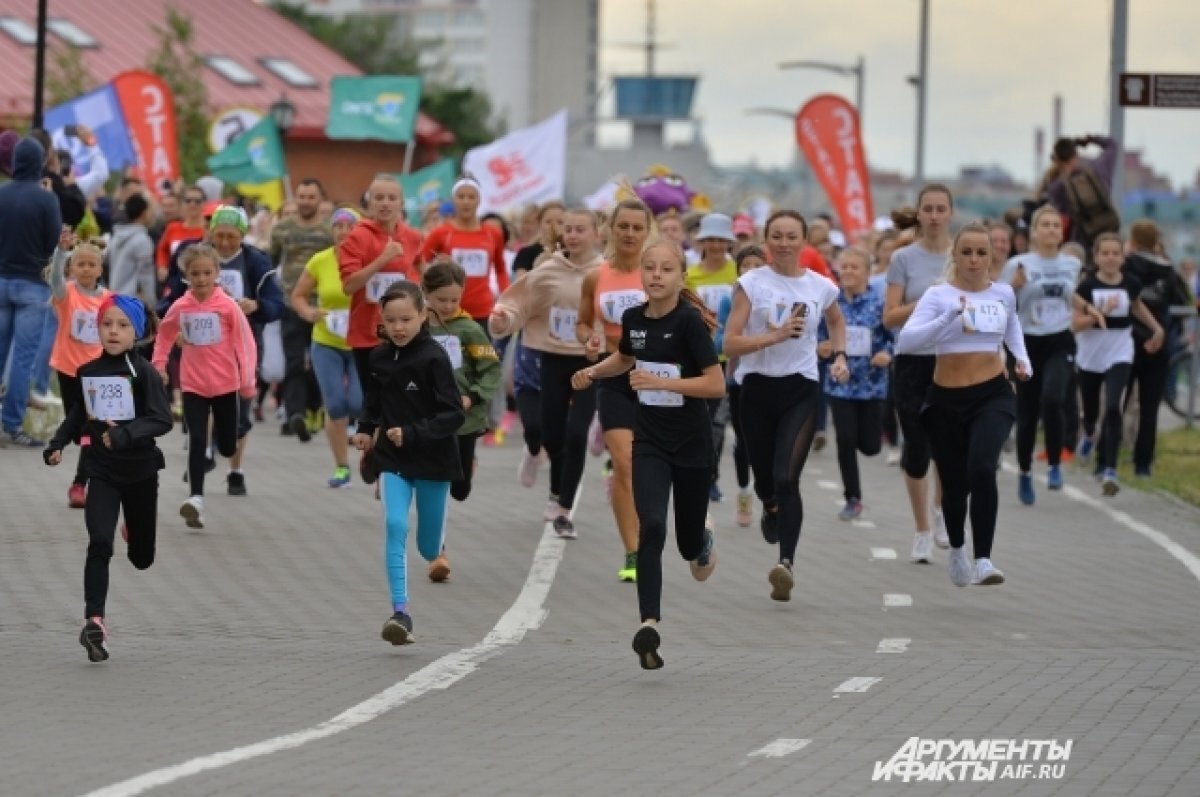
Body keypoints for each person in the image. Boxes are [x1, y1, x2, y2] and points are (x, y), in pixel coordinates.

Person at [571, 240, 724, 670]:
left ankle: (702, 536)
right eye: (650, 268)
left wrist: (664, 384)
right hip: (651, 442)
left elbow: (715, 385)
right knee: (652, 526)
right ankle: (649, 625)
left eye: (666, 269)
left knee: (686, 544)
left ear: (681, 277)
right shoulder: (633, 319)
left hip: (691, 443)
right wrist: (592, 371)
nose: (656, 275)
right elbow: (624, 359)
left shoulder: (689, 323)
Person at [723, 210, 849, 602]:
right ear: (766, 240)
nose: (783, 243)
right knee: (765, 481)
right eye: (776, 236)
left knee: (785, 477)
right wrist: (773, 337)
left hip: (801, 388)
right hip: (756, 389)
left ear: (803, 241)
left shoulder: (820, 286)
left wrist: (840, 355)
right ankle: (769, 507)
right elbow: (730, 342)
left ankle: (785, 565)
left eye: (791, 236)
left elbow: (837, 321)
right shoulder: (751, 283)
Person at [897, 223, 1031, 587]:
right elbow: (907, 341)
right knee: (955, 485)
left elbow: (1012, 327)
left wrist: (1022, 359)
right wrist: (946, 319)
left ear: (991, 257)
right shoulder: (938, 295)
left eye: (981, 253)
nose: (974, 260)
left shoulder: (1003, 293)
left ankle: (984, 559)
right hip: (946, 399)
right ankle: (957, 547)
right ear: (955, 255)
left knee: (982, 467)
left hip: (992, 395)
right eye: (967, 252)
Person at [43, 294, 172, 662]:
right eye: (106, 324)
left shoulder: (144, 373)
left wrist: (125, 434)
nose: (113, 331)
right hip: (101, 471)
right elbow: (77, 415)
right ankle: (94, 622)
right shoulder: (88, 372)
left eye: (122, 325)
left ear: (137, 331)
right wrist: (57, 443)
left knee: (142, 557)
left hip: (141, 471)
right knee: (100, 542)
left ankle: (134, 526)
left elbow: (162, 419)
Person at [352, 281, 465, 646]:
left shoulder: (434, 357)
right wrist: (366, 429)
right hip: (393, 460)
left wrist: (414, 433)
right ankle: (400, 613)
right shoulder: (378, 358)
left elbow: (453, 415)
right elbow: (373, 402)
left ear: (422, 316)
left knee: (428, 548)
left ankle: (437, 551)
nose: (398, 327)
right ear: (382, 321)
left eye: (406, 319)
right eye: (391, 321)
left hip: (434, 460)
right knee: (394, 524)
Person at [491, 208, 602, 545]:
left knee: (576, 433)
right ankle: (555, 488)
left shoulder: (605, 272)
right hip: (552, 359)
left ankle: (564, 509)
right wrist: (503, 319)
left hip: (589, 362)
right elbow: (517, 304)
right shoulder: (547, 270)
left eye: (581, 229)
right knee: (552, 435)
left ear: (596, 234)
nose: (573, 235)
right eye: (568, 229)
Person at [159, 205, 283, 496]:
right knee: (203, 400)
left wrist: (257, 305)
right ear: (211, 232)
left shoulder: (256, 262)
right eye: (220, 235)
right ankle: (203, 453)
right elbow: (171, 299)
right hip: (199, 346)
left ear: (243, 235)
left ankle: (235, 469)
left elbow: (278, 305)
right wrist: (171, 330)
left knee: (238, 412)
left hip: (242, 342)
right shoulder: (194, 257)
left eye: (232, 236)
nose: (225, 242)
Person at [152, 244, 258, 528]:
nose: (201, 279)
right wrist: (158, 366)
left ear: (217, 273)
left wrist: (247, 380)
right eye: (195, 273)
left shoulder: (227, 306)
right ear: (186, 275)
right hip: (193, 385)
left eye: (207, 273)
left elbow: (245, 343)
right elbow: (164, 335)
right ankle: (195, 499)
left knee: (228, 446)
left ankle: (222, 445)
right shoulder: (181, 306)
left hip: (226, 384)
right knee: (197, 441)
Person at [576, 198, 652, 578]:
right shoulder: (596, 277)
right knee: (624, 463)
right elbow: (582, 323)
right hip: (613, 375)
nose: (630, 234)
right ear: (611, 229)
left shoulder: (658, 274)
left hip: (655, 376)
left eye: (638, 227)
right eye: (624, 226)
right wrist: (588, 339)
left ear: (647, 231)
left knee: (651, 465)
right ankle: (633, 552)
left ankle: (661, 528)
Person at [1001, 205, 1095, 505]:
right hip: (1026, 342)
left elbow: (1070, 295)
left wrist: (1088, 309)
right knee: (1027, 413)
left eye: (1056, 225)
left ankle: (1055, 463)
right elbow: (1000, 302)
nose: (1052, 230)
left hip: (1060, 340)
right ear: (1034, 232)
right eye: (1046, 225)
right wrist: (1013, 287)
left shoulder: (1071, 264)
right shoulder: (1018, 263)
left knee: (1053, 399)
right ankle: (1025, 471)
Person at [883, 186, 954, 562]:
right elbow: (890, 316)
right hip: (912, 360)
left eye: (941, 209)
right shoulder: (903, 258)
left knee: (947, 444)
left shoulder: (963, 254)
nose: (934, 216)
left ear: (950, 213)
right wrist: (926, 302)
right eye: (928, 209)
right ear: (920, 213)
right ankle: (921, 529)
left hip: (952, 360)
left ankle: (940, 510)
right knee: (917, 448)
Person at [425, 259, 502, 580]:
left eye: (453, 300)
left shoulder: (469, 330)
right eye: (440, 299)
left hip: (464, 420)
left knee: (460, 489)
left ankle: (468, 465)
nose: (447, 306)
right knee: (438, 485)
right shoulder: (416, 328)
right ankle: (438, 553)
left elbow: (491, 368)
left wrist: (473, 395)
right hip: (429, 420)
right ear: (426, 294)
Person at [1073, 232, 1164, 494]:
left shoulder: (1131, 283)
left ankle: (1110, 470)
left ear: (1123, 257)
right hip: (1091, 352)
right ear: (1096, 257)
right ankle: (1090, 433)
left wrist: (1156, 328)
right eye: (1105, 253)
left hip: (1120, 350)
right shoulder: (1086, 287)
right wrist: (1100, 312)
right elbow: (1075, 325)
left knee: (1114, 407)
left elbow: (1137, 306)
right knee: (1091, 411)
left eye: (1116, 253)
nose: (1111, 258)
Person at [818, 247, 893, 520]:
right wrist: (821, 347)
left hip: (872, 385)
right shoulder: (831, 302)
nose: (848, 272)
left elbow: (894, 336)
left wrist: (888, 354)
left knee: (871, 446)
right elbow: (817, 336)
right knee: (845, 439)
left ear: (867, 272)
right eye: (845, 267)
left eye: (855, 267)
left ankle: (872, 443)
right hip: (840, 383)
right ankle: (853, 498)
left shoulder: (880, 302)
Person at [290, 207, 362, 488]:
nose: (343, 232)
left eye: (350, 226)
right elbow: (298, 295)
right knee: (335, 405)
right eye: (338, 226)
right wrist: (308, 312)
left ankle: (371, 455)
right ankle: (342, 467)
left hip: (360, 344)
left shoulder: (368, 261)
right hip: (326, 341)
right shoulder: (320, 260)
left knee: (357, 403)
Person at [338, 174, 423, 411]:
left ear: (401, 203)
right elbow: (349, 286)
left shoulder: (412, 237)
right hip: (368, 336)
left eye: (391, 198)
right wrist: (382, 259)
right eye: (379, 198)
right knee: (376, 405)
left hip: (406, 333)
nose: (385, 203)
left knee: (405, 403)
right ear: (370, 202)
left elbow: (419, 272)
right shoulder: (357, 236)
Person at [0, 137, 61, 447]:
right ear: (40, 162)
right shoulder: (45, 199)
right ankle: (12, 425)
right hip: (33, 285)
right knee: (23, 359)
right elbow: (53, 240)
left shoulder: (2, 193)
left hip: (1, 279)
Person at [1118, 220, 1191, 476]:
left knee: (1119, 401)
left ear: (1134, 241)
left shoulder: (1125, 265)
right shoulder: (1168, 271)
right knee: (1150, 407)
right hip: (1158, 342)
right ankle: (1143, 464)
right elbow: (1183, 302)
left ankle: (1108, 456)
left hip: (1126, 340)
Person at [271, 178, 334, 443]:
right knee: (294, 362)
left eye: (311, 197)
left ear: (320, 200)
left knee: (319, 363)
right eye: (302, 196)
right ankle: (294, 414)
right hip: (291, 305)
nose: (306, 202)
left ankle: (314, 408)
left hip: (323, 307)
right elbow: (273, 261)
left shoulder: (330, 231)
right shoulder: (282, 229)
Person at [47, 235, 109, 507]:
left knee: (89, 429)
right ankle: (79, 446)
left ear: (100, 269)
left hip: (96, 374)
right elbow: (55, 281)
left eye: (91, 264)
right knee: (77, 431)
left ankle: (79, 484)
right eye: (80, 264)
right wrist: (61, 252)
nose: (85, 269)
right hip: (69, 369)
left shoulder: (108, 299)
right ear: (72, 268)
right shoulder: (67, 294)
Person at [685, 212, 739, 504]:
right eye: (710, 240)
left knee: (717, 422)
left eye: (721, 240)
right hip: (697, 357)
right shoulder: (690, 276)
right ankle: (694, 471)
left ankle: (711, 478)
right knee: (698, 419)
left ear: (729, 242)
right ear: (702, 242)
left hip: (727, 357)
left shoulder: (739, 276)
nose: (716, 245)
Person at [419, 176, 508, 323]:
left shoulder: (493, 233)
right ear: (453, 200)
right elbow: (418, 264)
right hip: (448, 312)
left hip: (483, 311)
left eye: (471, 197)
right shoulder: (441, 233)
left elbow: (500, 270)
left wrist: (505, 301)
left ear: (479, 200)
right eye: (461, 197)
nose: (466, 202)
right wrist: (435, 269)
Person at [722, 244, 767, 527]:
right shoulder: (730, 298)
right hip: (738, 376)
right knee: (742, 440)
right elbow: (721, 338)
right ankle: (743, 491)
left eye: (757, 266)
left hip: (770, 375)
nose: (751, 271)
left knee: (765, 439)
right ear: (738, 270)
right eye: (745, 266)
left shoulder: (776, 298)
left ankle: (767, 490)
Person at [1046, 135, 1120, 252]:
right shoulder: (1098, 168)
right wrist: (1089, 139)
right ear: (1076, 155)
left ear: (1057, 160)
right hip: (1108, 235)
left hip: (1081, 242)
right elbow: (1112, 145)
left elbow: (1062, 216)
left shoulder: (1057, 186)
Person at [106, 193, 156, 302]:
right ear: (144, 213)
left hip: (114, 297)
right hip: (132, 301)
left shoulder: (116, 236)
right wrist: (151, 302)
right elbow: (146, 275)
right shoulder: (142, 240)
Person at [155, 185, 208, 282]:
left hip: (201, 281)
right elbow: (162, 249)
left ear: (204, 203)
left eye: (197, 201)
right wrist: (162, 267)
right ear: (182, 204)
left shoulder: (208, 230)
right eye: (188, 200)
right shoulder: (172, 227)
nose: (192, 204)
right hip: (174, 280)